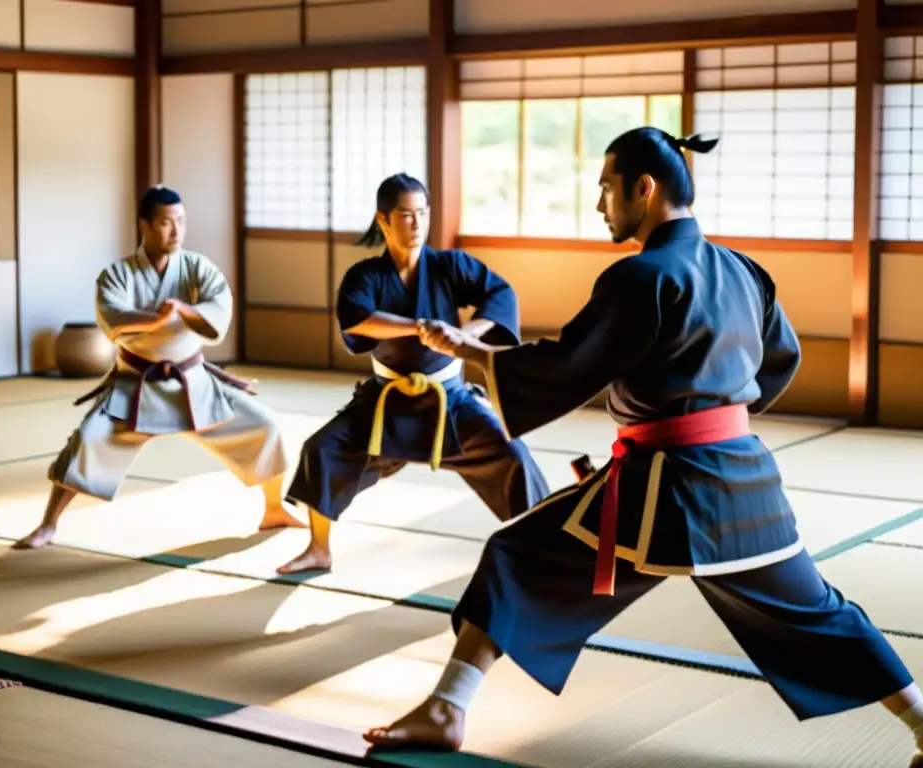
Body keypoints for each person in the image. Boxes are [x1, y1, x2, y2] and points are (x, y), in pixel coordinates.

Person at [363, 130, 923, 765]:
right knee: (819, 611)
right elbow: (777, 360)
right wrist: (714, 412)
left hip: (664, 491)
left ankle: (445, 708)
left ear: (644, 189)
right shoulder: (743, 269)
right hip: (744, 484)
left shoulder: (641, 276)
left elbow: (567, 365)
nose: (601, 204)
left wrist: (467, 351)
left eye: (606, 188)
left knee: (516, 554)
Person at [276, 173, 550, 574]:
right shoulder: (365, 277)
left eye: (422, 213)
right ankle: (319, 548)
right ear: (383, 220)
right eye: (405, 215)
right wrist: (417, 326)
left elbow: (501, 293)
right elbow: (357, 320)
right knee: (322, 448)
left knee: (514, 456)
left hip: (450, 401)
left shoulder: (449, 266)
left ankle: (538, 551)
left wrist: (465, 334)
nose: (417, 223)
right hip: (387, 402)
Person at [12, 185, 302, 550]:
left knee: (265, 425)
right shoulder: (117, 275)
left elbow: (218, 309)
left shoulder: (197, 268)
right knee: (88, 439)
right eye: (166, 223)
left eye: (181, 221)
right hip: (135, 386)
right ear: (144, 226)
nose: (176, 231)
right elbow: (113, 317)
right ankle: (48, 525)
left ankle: (273, 509)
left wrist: (184, 311)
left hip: (193, 383)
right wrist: (157, 320)